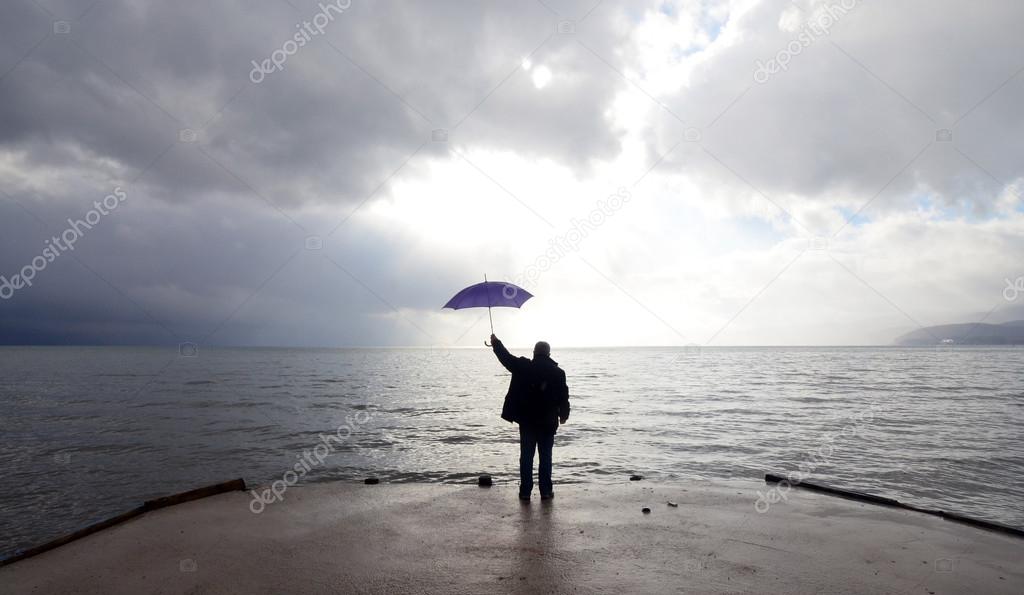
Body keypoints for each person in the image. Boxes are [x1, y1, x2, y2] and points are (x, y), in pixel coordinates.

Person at [489, 334, 570, 501]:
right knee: (545, 457)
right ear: (548, 354)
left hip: (527, 422)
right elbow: (564, 397)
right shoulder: (558, 373)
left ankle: (525, 492)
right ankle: (546, 492)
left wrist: (496, 343)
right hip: (548, 422)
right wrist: (563, 416)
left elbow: (506, 358)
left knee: (526, 457)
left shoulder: (523, 366)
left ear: (534, 353)